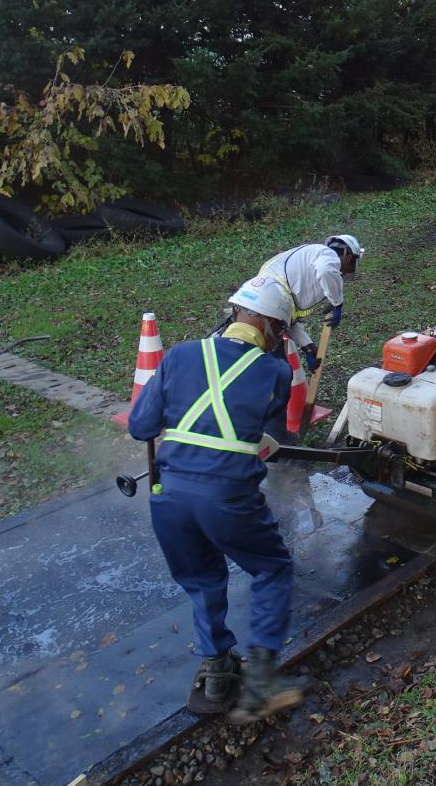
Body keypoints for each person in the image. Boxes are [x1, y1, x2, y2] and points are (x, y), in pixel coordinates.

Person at [128, 275, 309, 723]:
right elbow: (269, 433)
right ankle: (263, 680)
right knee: (272, 567)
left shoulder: (180, 354)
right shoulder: (276, 372)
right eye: (280, 332)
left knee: (204, 578)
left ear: (234, 314)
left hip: (168, 497)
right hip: (227, 497)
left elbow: (140, 427)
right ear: (270, 327)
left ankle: (216, 668)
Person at [254, 236, 363, 368]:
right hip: (262, 318)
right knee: (275, 368)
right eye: (350, 267)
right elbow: (325, 270)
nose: (344, 272)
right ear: (350, 257)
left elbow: (286, 318)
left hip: (258, 306)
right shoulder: (327, 254)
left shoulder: (302, 267)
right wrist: (337, 303)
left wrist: (308, 347)